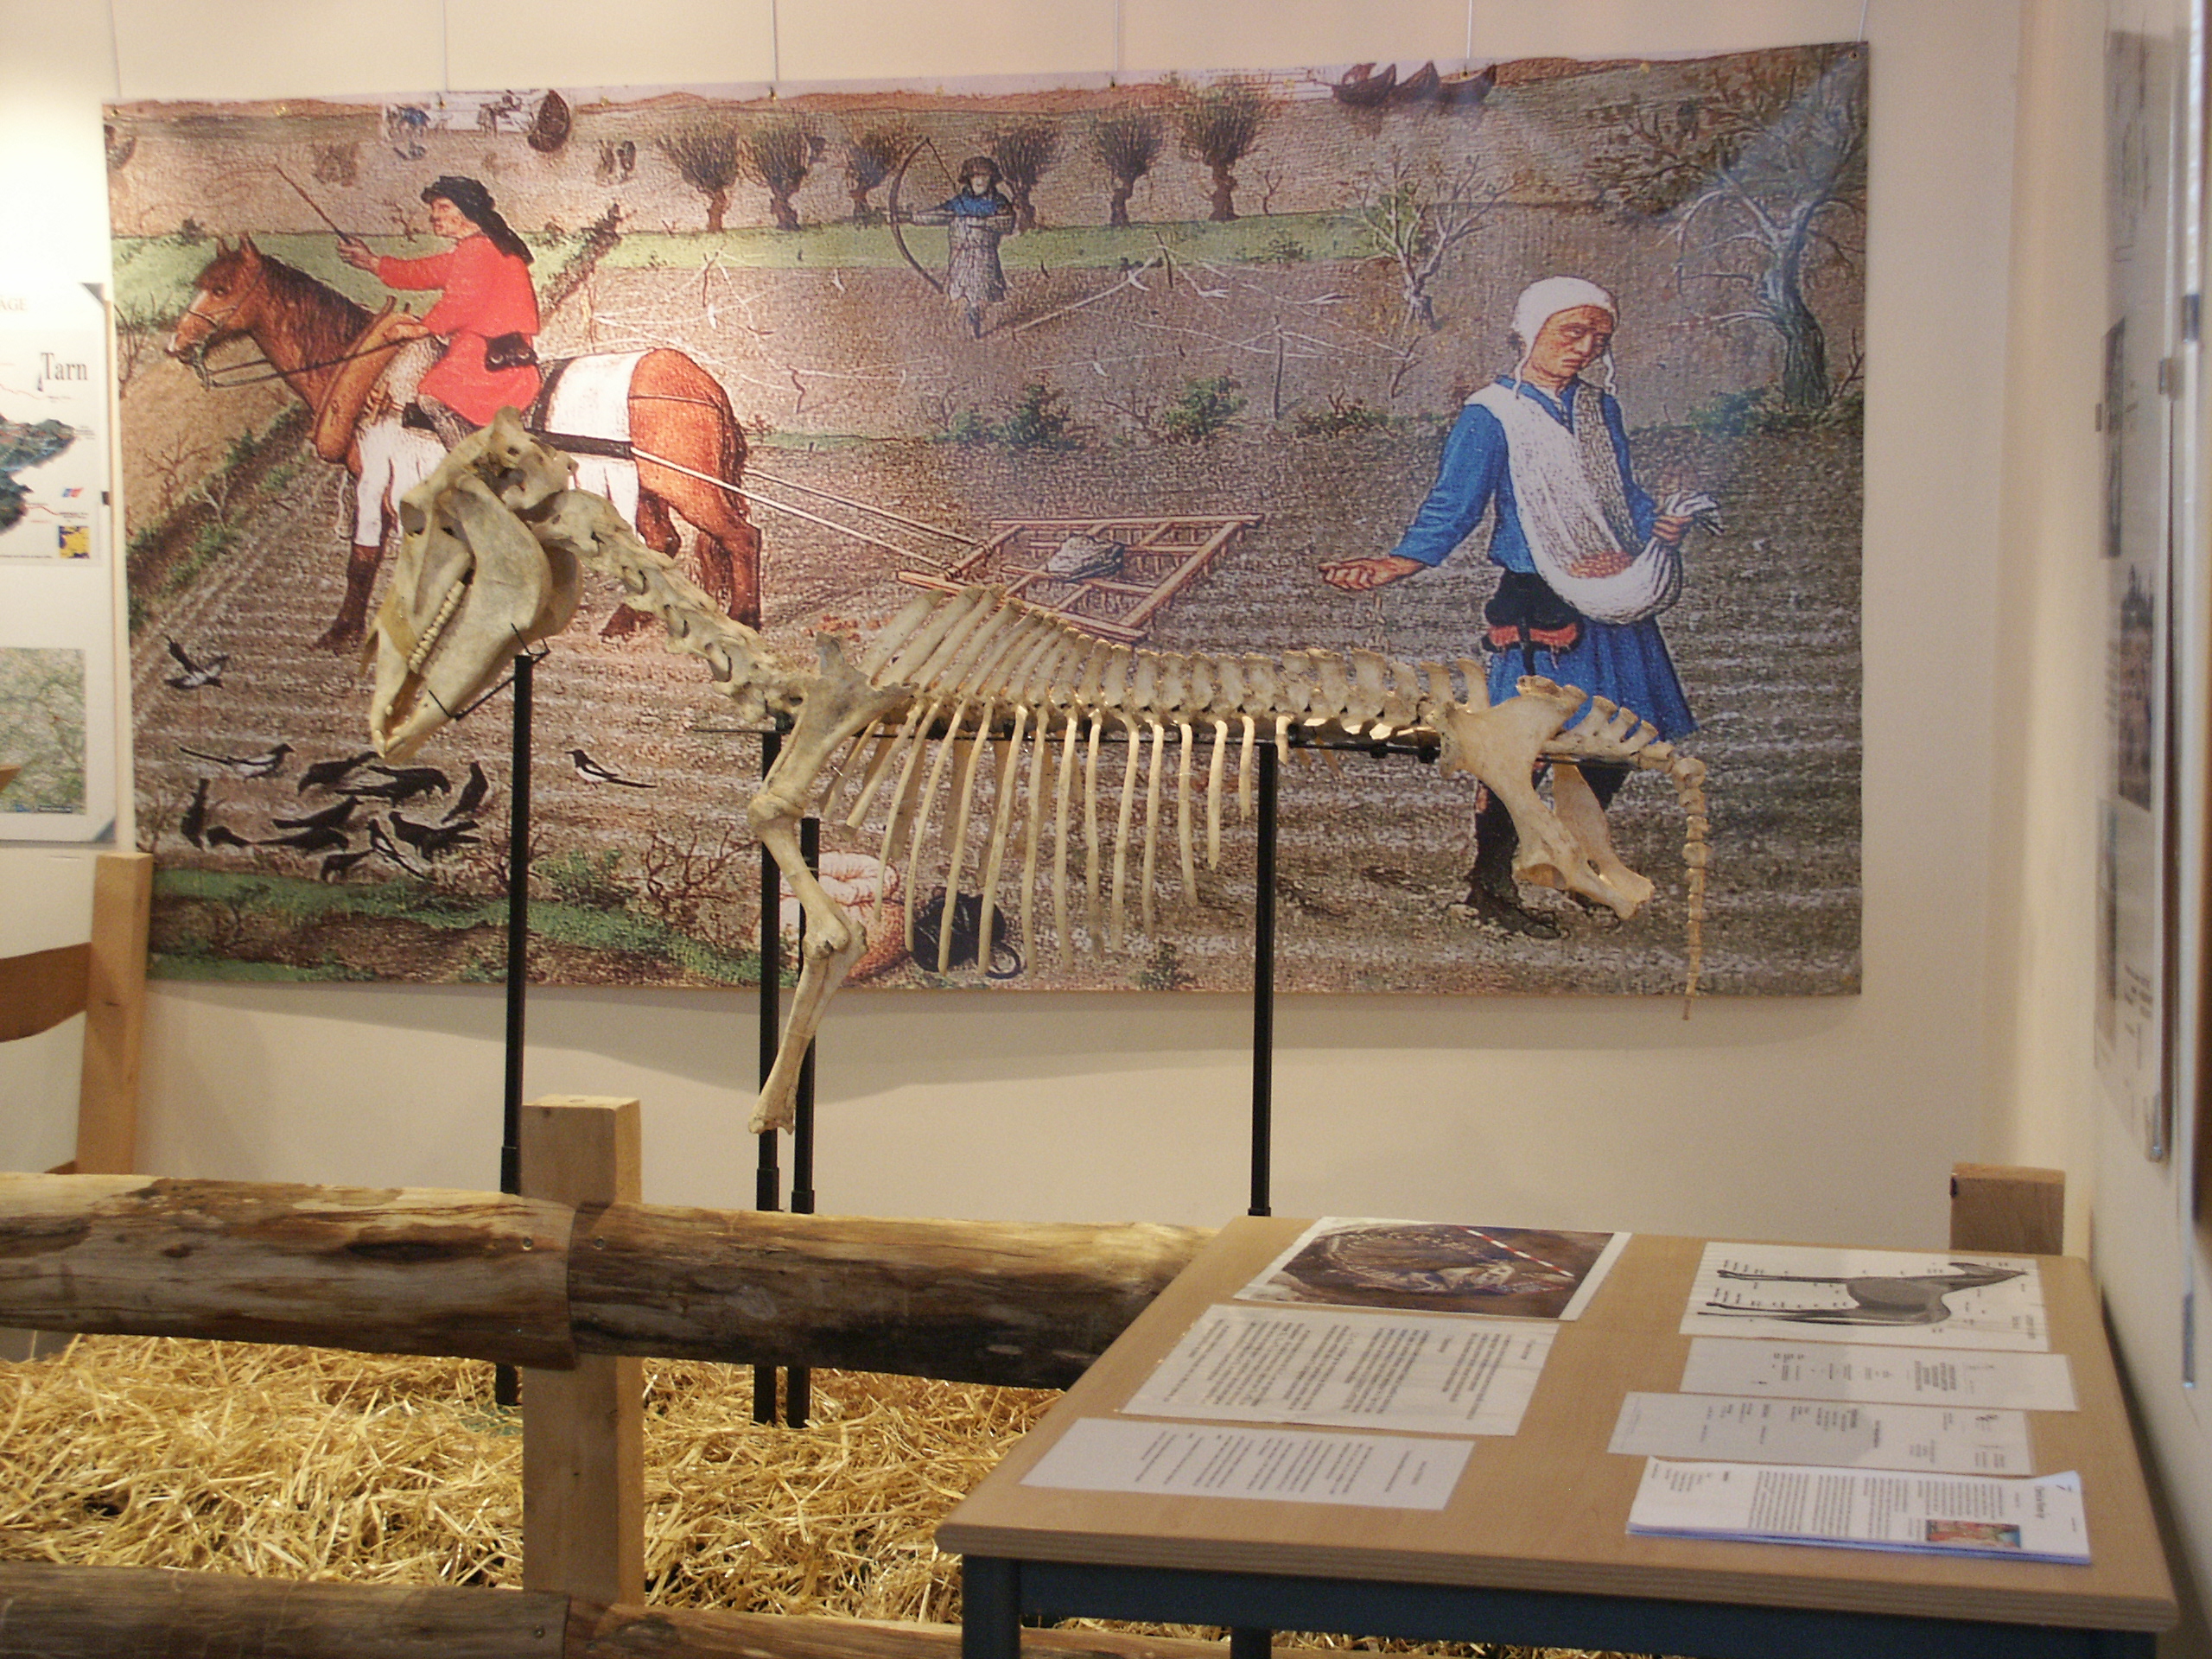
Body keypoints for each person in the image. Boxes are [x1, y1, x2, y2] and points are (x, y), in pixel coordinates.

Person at [1320, 275, 1698, 938]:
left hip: (1611, 604)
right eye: (1572, 333)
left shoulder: (1597, 409)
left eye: (1599, 338)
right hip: (1539, 604)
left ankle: (1574, 864)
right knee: (1519, 755)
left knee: (1610, 744)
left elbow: (1619, 496)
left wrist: (1654, 528)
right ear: (1531, 332)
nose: (1585, 348)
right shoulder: (1491, 414)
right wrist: (1398, 562)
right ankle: (1489, 884)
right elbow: (1454, 504)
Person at [340, 175, 541, 442]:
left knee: (433, 397)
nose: (434, 215)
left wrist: (420, 329)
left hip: (490, 359)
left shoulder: (478, 249)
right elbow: (424, 271)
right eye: (434, 208)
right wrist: (372, 262)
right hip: (488, 353)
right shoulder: (477, 247)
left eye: (444, 207)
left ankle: (471, 462)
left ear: (467, 211)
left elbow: (462, 303)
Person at [911, 156, 1014, 339]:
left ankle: (978, 317)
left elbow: (1006, 223)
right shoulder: (959, 203)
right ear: (969, 179)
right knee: (960, 294)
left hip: (984, 255)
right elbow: (939, 214)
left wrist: (980, 222)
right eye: (975, 176)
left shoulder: (998, 202)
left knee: (982, 292)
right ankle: (968, 321)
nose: (980, 181)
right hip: (961, 257)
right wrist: (914, 217)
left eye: (984, 176)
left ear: (991, 179)